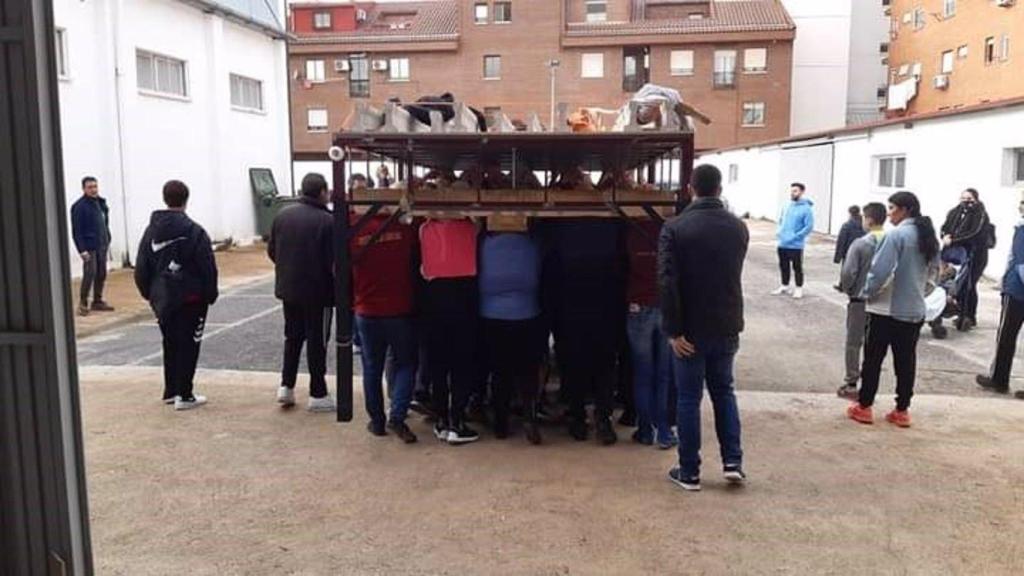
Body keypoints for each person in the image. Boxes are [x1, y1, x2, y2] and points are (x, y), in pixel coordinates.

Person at [659, 165, 749, 492]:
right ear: (720, 188)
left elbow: (668, 282)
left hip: (690, 329)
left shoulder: (675, 228)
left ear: (690, 188)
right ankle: (733, 462)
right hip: (727, 324)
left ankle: (689, 472)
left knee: (688, 398)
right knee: (724, 392)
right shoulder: (738, 228)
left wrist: (673, 330)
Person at [847, 192, 939, 428]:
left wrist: (867, 293)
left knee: (873, 359)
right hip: (914, 310)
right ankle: (902, 410)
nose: (888, 214)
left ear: (905, 210)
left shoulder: (896, 236)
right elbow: (933, 275)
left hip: (885, 310)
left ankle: (865, 406)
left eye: (892, 208)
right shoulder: (928, 237)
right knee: (906, 361)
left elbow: (879, 271)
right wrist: (919, 293)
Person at [134, 180, 218, 410]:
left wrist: (149, 294)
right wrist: (210, 294)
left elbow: (141, 266)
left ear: (165, 198)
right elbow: (207, 266)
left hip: (162, 299)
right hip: (190, 299)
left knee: (170, 342)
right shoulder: (194, 231)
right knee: (189, 344)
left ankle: (171, 390)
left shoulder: (150, 231)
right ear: (186, 199)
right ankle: (185, 394)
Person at [541, 218, 627, 446]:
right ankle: (603, 420)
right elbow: (621, 276)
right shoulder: (612, 227)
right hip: (604, 311)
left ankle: (578, 419)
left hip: (571, 313)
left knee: (575, 367)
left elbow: (550, 277)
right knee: (605, 369)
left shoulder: (560, 229)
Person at [267, 173, 337, 413]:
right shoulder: (328, 221)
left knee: (293, 337)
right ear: (322, 192)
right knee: (317, 341)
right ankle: (318, 392)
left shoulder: (282, 216)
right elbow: (334, 261)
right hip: (319, 292)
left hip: (289, 288)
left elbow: (272, 250)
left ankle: (286, 386)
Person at [351, 209, 419, 443]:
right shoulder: (404, 228)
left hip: (367, 310)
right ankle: (398, 415)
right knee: (406, 363)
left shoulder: (354, 229)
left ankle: (377, 421)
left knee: (372, 368)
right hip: (399, 310)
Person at [479, 227, 544, 444]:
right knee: (527, 371)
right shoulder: (532, 242)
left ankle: (500, 424)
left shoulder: (484, 243)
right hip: (527, 312)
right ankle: (530, 416)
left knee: (500, 372)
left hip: (492, 314)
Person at [420, 217, 481, 444]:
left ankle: (442, 421)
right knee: (461, 367)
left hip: (433, 307)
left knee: (438, 368)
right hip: (464, 307)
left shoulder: (425, 228)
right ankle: (457, 422)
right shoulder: (471, 228)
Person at [626, 218, 677, 449]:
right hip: (664, 307)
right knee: (664, 373)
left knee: (642, 372)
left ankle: (645, 430)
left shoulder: (628, 231)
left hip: (637, 306)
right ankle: (664, 431)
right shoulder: (670, 229)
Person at [836, 203, 886, 400]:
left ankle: (851, 382)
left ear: (869, 220)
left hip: (859, 299)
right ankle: (870, 383)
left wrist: (847, 288)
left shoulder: (861, 244)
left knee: (854, 341)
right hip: (883, 302)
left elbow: (849, 272)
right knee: (874, 344)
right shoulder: (891, 241)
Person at [977, 192, 1024, 400]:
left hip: (1017, 292)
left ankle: (999, 379)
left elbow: (1022, 264)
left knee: (1006, 336)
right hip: (1015, 288)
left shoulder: (1022, 230)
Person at [940, 188, 991, 332]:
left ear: (976, 199)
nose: (966, 201)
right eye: (963, 198)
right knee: (952, 283)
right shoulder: (954, 212)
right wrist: (945, 236)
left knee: (969, 284)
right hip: (955, 253)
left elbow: (974, 233)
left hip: (976, 254)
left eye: (969, 198)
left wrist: (954, 240)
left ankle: (969, 315)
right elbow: (945, 227)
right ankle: (956, 310)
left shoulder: (980, 214)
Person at [71, 176, 114, 316]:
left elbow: (104, 222)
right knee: (90, 273)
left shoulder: (101, 203)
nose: (93, 190)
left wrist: (107, 238)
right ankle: (83, 303)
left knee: (101, 273)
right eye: (90, 187)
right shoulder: (79, 207)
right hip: (89, 246)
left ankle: (97, 300)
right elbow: (77, 230)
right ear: (84, 189)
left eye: (95, 186)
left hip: (102, 244)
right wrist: (81, 249)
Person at [773, 183, 814, 299]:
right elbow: (781, 220)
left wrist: (796, 236)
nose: (792, 193)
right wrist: (779, 232)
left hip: (796, 245)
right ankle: (784, 285)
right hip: (782, 242)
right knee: (783, 265)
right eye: (791, 191)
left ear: (802, 192)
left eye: (795, 191)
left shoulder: (806, 209)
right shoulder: (786, 205)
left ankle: (798, 288)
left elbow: (809, 226)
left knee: (797, 267)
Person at [834, 205, 866, 290]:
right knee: (859, 269)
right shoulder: (864, 224)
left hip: (848, 251)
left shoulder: (847, 225)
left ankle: (843, 285)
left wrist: (837, 257)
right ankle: (857, 285)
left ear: (850, 213)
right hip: (862, 250)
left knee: (846, 269)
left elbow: (841, 241)